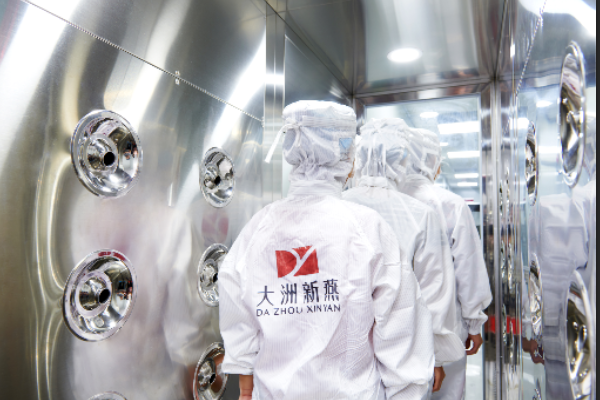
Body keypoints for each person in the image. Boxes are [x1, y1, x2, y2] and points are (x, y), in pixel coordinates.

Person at [219, 101, 435, 400]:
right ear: (347, 158)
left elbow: (236, 310)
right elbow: (401, 326)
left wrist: (245, 385)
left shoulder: (258, 228)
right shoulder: (368, 228)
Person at [343, 119, 467, 397]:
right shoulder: (419, 214)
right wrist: (436, 356)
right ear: (402, 159)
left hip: (345, 347)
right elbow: (434, 290)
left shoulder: (339, 205)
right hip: (405, 348)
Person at [398, 124, 493, 400]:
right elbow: (469, 270)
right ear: (431, 160)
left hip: (395, 331)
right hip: (446, 330)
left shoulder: (389, 203)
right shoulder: (450, 204)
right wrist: (474, 324)